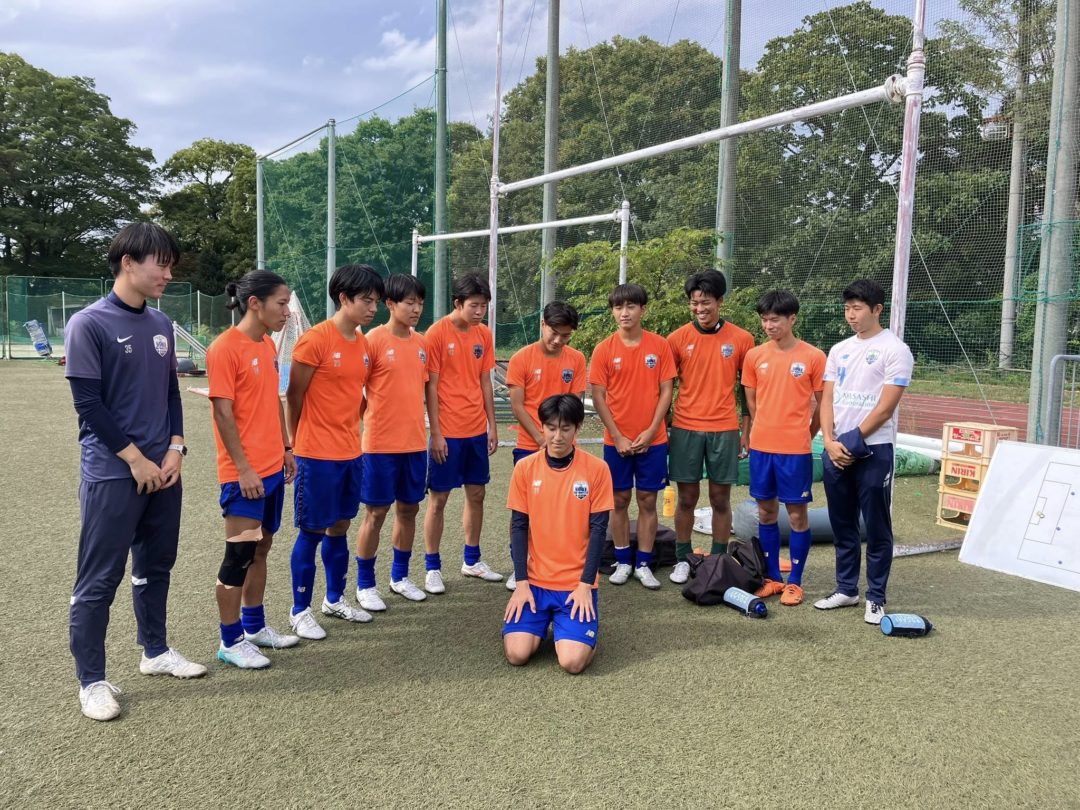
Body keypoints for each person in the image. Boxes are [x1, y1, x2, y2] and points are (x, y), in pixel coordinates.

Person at [65, 223, 206, 721]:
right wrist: (135, 459)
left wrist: (176, 448)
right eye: (160, 264)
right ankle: (92, 681)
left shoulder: (162, 324)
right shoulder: (89, 323)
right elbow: (88, 404)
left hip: (164, 469)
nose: (168, 274)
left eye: (171, 266)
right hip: (113, 472)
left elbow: (170, 394)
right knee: (99, 578)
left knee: (156, 565)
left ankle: (156, 651)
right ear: (128, 262)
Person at [284, 265, 384, 639]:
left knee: (340, 526)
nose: (373, 308)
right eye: (366, 300)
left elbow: (359, 395)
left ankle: (334, 599)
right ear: (344, 298)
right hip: (315, 455)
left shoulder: (363, 344)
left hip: (350, 453)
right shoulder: (315, 340)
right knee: (311, 531)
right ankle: (299, 610)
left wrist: (350, 428)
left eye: (376, 301)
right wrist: (296, 443)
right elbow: (293, 396)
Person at [207, 270, 300, 669]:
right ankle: (230, 641)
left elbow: (273, 399)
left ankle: (254, 626)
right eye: (281, 303)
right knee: (238, 555)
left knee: (262, 547)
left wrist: (286, 448)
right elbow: (222, 413)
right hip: (242, 475)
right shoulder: (224, 348)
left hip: (272, 468)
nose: (287, 311)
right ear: (254, 303)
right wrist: (243, 469)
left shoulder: (266, 344)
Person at [815, 279, 914, 625]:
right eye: (847, 308)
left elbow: (885, 409)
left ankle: (875, 597)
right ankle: (846, 589)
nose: (851, 315)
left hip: (874, 451)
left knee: (876, 527)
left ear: (877, 310)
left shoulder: (895, 350)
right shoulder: (839, 349)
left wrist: (851, 443)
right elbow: (827, 398)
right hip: (836, 450)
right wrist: (829, 442)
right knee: (842, 524)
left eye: (857, 308)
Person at [503, 395, 614, 674]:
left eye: (565, 429)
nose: (557, 436)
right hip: (535, 584)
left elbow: (599, 531)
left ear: (577, 429)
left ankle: (577, 633)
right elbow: (518, 527)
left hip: (576, 585)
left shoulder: (597, 470)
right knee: (516, 654)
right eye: (551, 428)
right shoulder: (525, 468)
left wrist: (586, 585)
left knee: (572, 662)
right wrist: (521, 583)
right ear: (542, 427)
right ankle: (543, 625)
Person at [665, 269, 755, 584]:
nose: (700, 309)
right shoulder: (676, 339)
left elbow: (747, 390)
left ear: (720, 301)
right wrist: (664, 427)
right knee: (686, 498)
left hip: (725, 429)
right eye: (694, 303)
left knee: (720, 498)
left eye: (706, 302)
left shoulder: (742, 339)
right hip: (685, 427)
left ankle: (718, 559)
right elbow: (665, 388)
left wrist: (746, 431)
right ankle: (682, 558)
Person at [589, 283, 676, 590]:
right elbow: (598, 396)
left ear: (643, 309)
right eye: (618, 307)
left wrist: (651, 431)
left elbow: (666, 390)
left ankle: (644, 564)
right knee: (619, 500)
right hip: (618, 442)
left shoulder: (660, 346)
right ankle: (623, 560)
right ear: (613, 311)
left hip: (654, 440)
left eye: (630, 307)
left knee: (648, 500)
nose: (624, 313)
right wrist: (617, 436)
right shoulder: (604, 349)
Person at [742, 290, 826, 606]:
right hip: (762, 448)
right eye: (764, 320)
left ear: (792, 319)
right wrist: (761, 428)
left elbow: (822, 404)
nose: (768, 326)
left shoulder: (813, 356)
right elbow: (752, 401)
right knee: (765, 512)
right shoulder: (754, 356)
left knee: (796, 515)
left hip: (795, 451)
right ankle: (773, 578)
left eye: (775, 319)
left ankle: (795, 583)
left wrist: (806, 433)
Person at [422, 273, 502, 595]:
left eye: (484, 306)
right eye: (474, 306)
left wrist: (492, 425)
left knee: (477, 494)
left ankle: (472, 560)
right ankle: (432, 567)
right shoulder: (436, 333)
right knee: (439, 499)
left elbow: (485, 382)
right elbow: (431, 387)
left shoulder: (484, 334)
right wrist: (437, 432)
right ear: (458, 303)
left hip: (475, 430)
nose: (480, 312)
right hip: (448, 431)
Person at [354, 274, 430, 608]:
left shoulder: (422, 344)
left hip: (415, 444)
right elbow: (357, 392)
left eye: (420, 303)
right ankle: (365, 584)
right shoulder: (371, 340)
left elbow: (424, 389)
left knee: (409, 510)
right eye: (409, 302)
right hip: (380, 446)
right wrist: (364, 425)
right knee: (376, 513)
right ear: (390, 304)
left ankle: (399, 577)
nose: (416, 309)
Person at [503, 301, 587, 590]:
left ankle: (560, 566)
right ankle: (520, 566)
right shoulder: (521, 358)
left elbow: (575, 404)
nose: (558, 340)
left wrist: (560, 439)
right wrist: (541, 439)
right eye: (554, 332)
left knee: (562, 510)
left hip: (565, 449)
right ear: (542, 324)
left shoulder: (576, 359)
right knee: (525, 511)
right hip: (530, 447)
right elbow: (518, 406)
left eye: (565, 335)